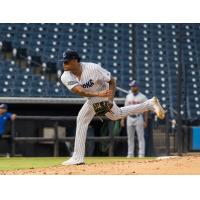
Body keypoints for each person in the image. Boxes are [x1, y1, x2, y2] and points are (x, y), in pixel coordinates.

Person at [60, 50, 165, 165]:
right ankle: (149, 104)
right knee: (116, 115)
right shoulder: (65, 76)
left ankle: (77, 157)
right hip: (96, 96)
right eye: (63, 61)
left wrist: (110, 99)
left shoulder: (92, 68)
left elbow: (112, 81)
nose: (64, 64)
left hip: (104, 92)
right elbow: (79, 91)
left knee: (82, 119)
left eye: (67, 61)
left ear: (76, 60)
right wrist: (98, 95)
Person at [121, 80, 148, 158]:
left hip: (138, 117)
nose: (132, 88)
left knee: (140, 137)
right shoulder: (128, 96)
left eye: (133, 86)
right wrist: (123, 119)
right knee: (130, 137)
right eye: (131, 86)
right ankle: (130, 154)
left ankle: (141, 154)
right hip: (129, 118)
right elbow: (125, 108)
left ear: (137, 87)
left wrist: (145, 121)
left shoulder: (143, 97)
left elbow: (146, 110)